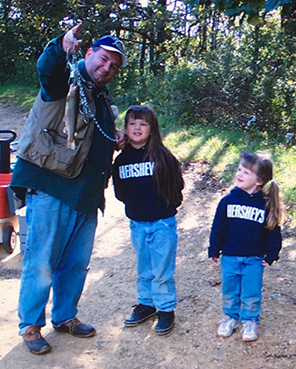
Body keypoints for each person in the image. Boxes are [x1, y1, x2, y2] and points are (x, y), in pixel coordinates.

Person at [10, 22, 127, 355]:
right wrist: (60, 46)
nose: (107, 68)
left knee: (75, 264)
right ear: (89, 53)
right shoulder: (66, 80)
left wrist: (115, 139)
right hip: (52, 189)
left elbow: (95, 139)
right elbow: (48, 72)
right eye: (103, 59)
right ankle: (30, 325)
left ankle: (65, 317)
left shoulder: (100, 98)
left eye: (113, 66)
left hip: (86, 197)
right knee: (41, 262)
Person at [112, 105, 184, 335]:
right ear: (124, 129)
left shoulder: (162, 156)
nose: (137, 128)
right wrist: (136, 208)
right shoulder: (121, 161)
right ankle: (146, 304)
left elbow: (177, 185)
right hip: (138, 224)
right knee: (144, 267)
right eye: (132, 123)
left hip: (162, 223)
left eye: (143, 123)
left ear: (152, 129)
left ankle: (165, 309)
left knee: (162, 269)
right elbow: (120, 191)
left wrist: (165, 207)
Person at [208, 152, 284, 341]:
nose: (240, 174)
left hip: (254, 260)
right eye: (239, 169)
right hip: (230, 257)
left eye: (246, 172)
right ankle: (230, 316)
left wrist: (271, 255)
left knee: (251, 292)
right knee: (229, 289)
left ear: (259, 181)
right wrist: (214, 248)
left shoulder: (266, 206)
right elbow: (218, 226)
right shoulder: (228, 200)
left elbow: (273, 232)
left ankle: (250, 320)